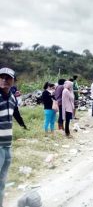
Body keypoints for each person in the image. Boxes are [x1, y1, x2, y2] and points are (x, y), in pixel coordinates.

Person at [0, 67, 27, 206]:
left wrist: (23, 125)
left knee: (2, 182)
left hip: (7, 145)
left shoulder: (11, 97)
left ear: (13, 80)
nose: (4, 80)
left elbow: (15, 114)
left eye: (8, 77)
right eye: (1, 77)